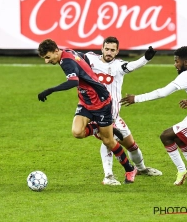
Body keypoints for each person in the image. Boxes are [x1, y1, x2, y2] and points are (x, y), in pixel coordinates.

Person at [37, 38, 137, 184]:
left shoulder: (67, 62)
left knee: (108, 140)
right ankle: (98, 127)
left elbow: (73, 82)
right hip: (85, 101)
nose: (46, 61)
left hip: (101, 101)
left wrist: (49, 90)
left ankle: (129, 169)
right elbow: (82, 58)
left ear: (55, 51)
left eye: (47, 57)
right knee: (77, 132)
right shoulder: (68, 52)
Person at [81, 36, 162, 186]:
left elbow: (132, 66)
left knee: (131, 145)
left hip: (115, 116)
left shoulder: (119, 66)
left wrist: (145, 58)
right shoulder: (90, 59)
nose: (109, 52)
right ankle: (108, 176)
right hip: (97, 113)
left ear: (117, 51)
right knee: (108, 141)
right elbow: (74, 58)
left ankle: (141, 168)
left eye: (112, 50)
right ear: (102, 48)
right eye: (107, 49)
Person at [120, 46, 187, 185]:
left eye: (177, 61)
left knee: (166, 136)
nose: (175, 64)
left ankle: (181, 170)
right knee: (179, 139)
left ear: (185, 62)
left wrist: (136, 99)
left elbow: (162, 93)